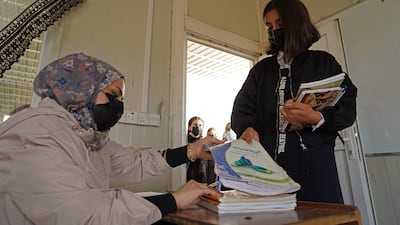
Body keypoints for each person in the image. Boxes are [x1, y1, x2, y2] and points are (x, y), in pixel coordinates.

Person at [0, 53, 223, 225]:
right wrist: (172, 200)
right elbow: (80, 215)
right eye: (114, 94)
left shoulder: (85, 137)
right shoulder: (35, 131)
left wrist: (192, 150)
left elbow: (136, 161)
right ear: (82, 87)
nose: (118, 106)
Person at [231, 0, 357, 204]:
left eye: (280, 24)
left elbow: (348, 107)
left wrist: (316, 117)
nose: (274, 31)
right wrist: (247, 129)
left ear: (297, 23)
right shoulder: (260, 71)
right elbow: (242, 109)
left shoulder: (324, 62)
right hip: (268, 167)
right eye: (269, 27)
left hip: (316, 166)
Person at [185, 116, 216, 184]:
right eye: (195, 125)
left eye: (200, 125)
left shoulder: (205, 143)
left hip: (202, 178)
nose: (198, 127)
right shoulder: (184, 142)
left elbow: (210, 165)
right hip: (188, 177)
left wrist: (210, 182)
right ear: (189, 127)